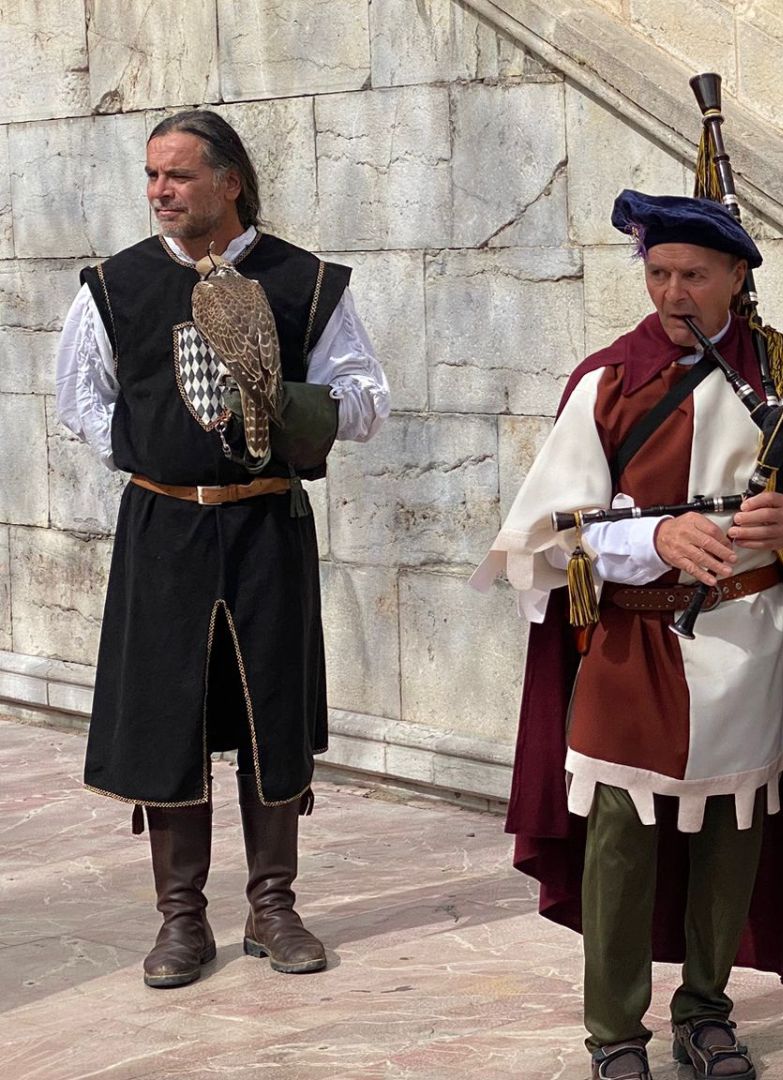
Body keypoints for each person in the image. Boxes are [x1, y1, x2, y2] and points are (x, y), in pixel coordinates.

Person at [474, 191, 783, 1080]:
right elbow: (545, 533)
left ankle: (705, 1010)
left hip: (750, 641)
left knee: (732, 832)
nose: (672, 293)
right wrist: (651, 537)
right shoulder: (609, 379)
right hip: (631, 645)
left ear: (738, 275)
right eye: (658, 274)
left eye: (693, 274)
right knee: (620, 832)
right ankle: (614, 1031)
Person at [53, 108, 390, 988]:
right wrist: (160, 457)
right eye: (153, 176)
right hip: (162, 530)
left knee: (270, 713)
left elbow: (366, 399)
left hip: (265, 524)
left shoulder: (303, 280)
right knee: (169, 715)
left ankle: (273, 908)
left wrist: (282, 410)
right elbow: (81, 400)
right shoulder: (113, 285)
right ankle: (181, 921)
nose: (161, 192)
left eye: (179, 176)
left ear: (229, 181)